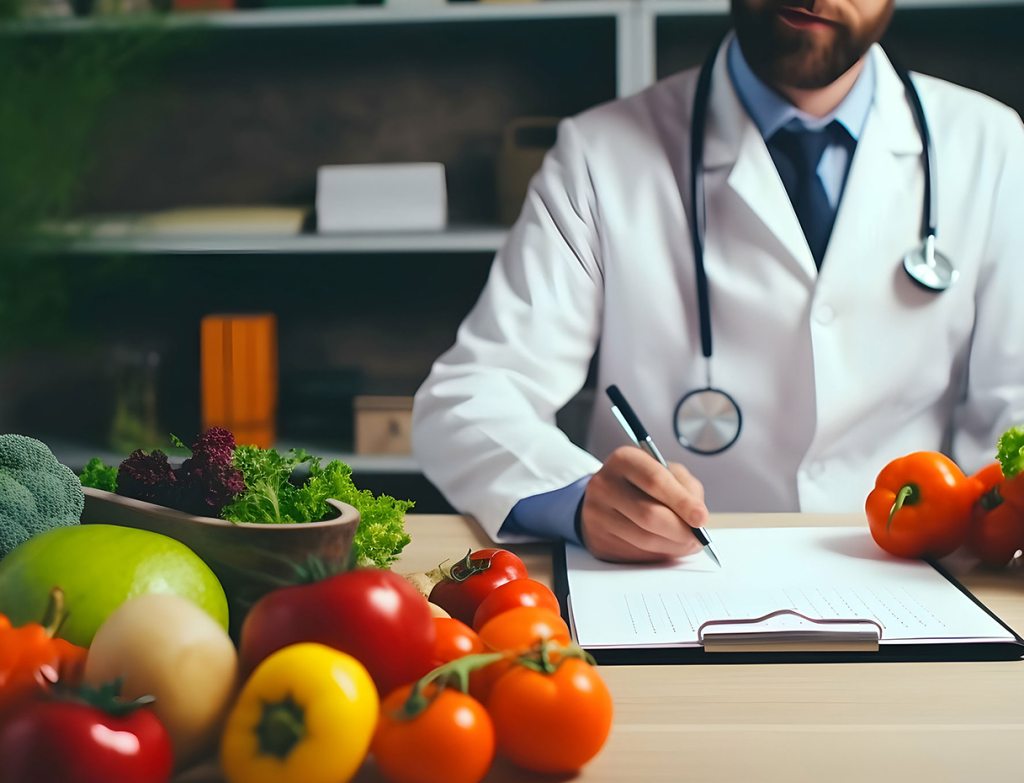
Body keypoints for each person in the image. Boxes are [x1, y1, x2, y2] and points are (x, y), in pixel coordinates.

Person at [412, 0, 1024, 562]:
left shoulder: (991, 148)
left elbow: (1015, 407)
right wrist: (576, 500)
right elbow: (472, 395)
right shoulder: (599, 153)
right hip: (672, 580)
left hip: (921, 576)